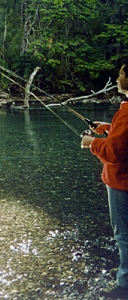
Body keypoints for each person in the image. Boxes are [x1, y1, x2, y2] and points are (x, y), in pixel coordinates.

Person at [81, 60, 128, 298]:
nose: (118, 79)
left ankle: (124, 285)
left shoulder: (127, 112)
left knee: (123, 234)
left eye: (121, 74)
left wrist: (92, 143)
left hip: (122, 183)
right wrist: (109, 128)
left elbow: (114, 152)